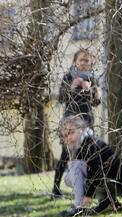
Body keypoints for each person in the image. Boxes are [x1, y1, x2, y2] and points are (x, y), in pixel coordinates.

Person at [52, 49, 102, 198]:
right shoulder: (68, 77)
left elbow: (97, 102)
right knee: (66, 154)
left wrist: (90, 90)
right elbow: (61, 98)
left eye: (87, 60)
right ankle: (55, 189)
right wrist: (72, 86)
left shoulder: (93, 80)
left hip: (86, 120)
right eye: (81, 60)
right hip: (70, 122)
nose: (84, 63)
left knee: (89, 154)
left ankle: (85, 190)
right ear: (75, 61)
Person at [57, 115, 122, 216]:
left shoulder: (90, 143)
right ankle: (109, 201)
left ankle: (78, 207)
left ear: (80, 130)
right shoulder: (77, 145)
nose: (69, 137)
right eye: (65, 135)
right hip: (104, 182)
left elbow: (96, 171)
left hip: (114, 182)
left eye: (71, 132)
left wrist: (88, 196)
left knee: (76, 165)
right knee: (69, 176)